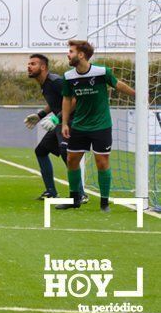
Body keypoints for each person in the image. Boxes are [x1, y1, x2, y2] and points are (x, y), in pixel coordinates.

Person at [56, 40, 135, 212]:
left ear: (81, 55)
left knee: (102, 162)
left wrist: (137, 94)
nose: (68, 55)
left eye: (71, 51)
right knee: (71, 160)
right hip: (79, 126)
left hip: (101, 126)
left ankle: (104, 203)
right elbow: (67, 99)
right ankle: (74, 199)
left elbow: (117, 84)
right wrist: (64, 124)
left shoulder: (101, 72)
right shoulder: (69, 76)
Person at [24, 54, 85, 202]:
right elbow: (56, 102)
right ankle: (51, 192)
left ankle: (80, 194)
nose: (29, 66)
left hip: (72, 120)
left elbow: (76, 98)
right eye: (29, 64)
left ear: (43, 67)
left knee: (67, 154)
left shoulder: (56, 81)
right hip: (61, 120)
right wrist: (40, 115)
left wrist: (57, 117)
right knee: (41, 151)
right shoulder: (44, 84)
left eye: (33, 64)